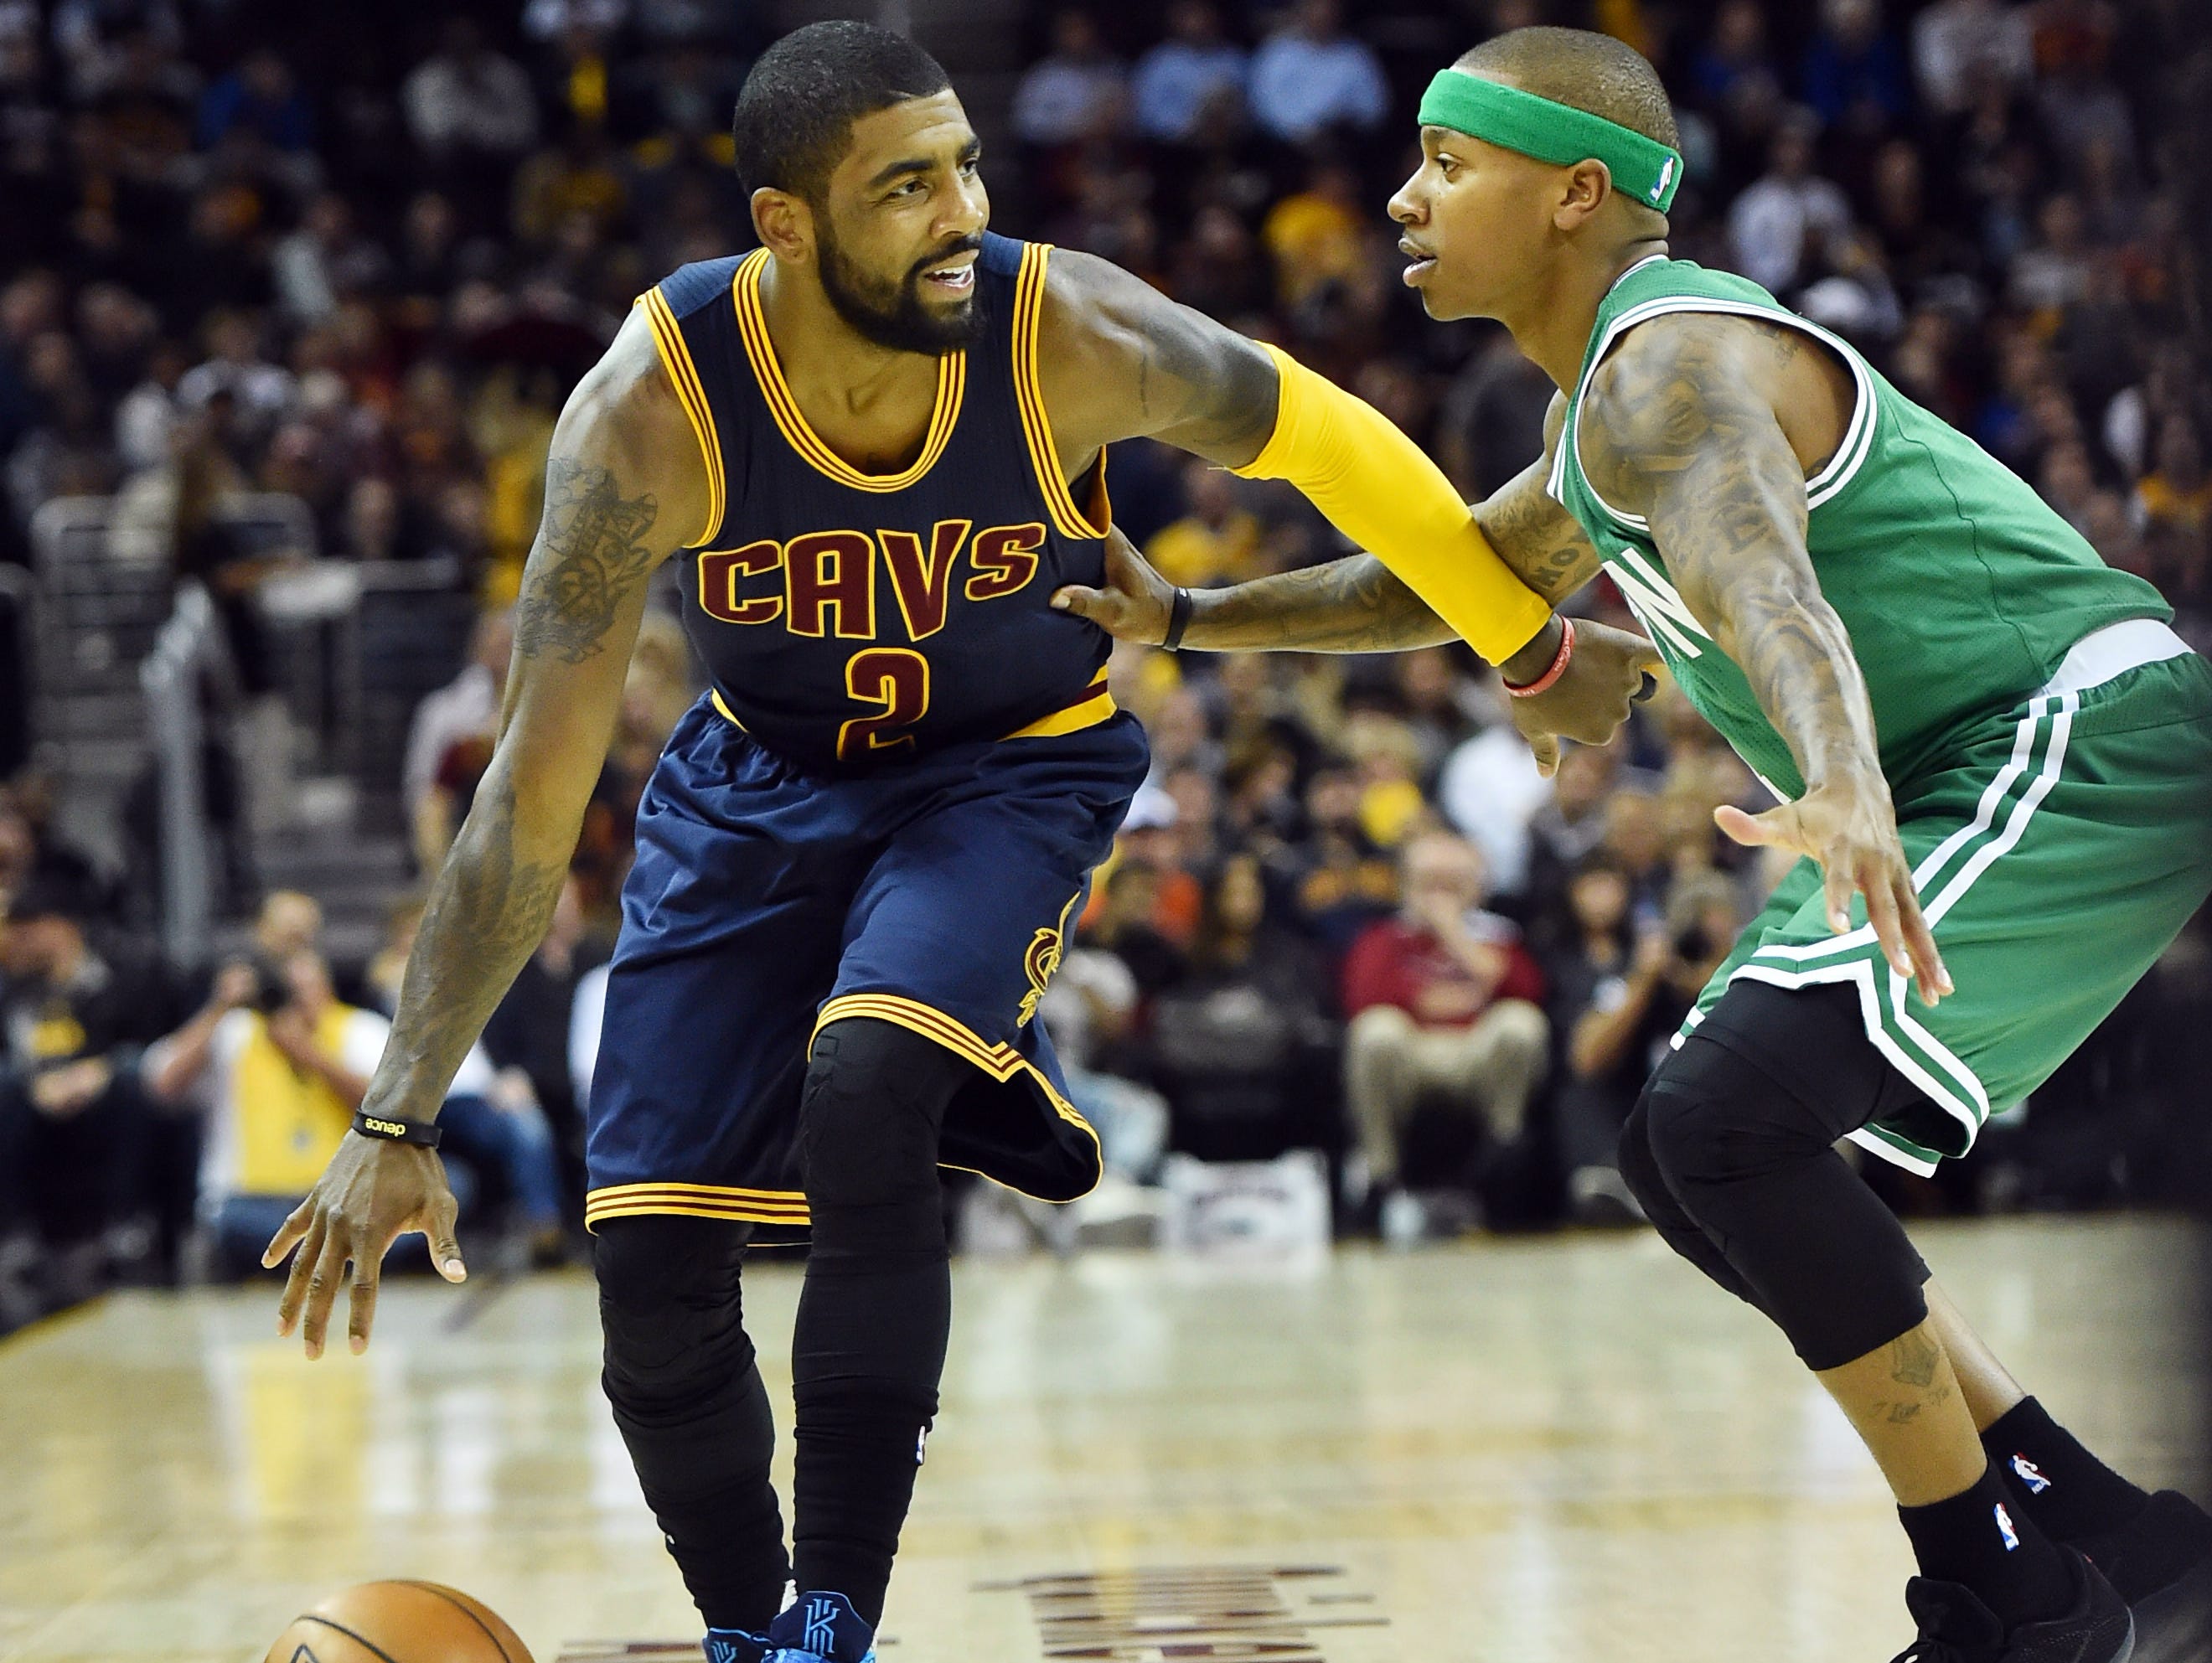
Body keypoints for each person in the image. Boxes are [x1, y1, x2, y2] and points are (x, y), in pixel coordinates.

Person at [261, 23, 1657, 1663]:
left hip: (1006, 770)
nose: (960, 212)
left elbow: (1335, 445)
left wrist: (1531, 644)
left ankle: (838, 1604)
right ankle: (747, 1624)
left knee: (864, 1081)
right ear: (786, 223)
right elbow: (529, 790)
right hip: (758, 787)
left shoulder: (1061, 328)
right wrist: (400, 1103)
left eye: (967, 166)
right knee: (640, 1255)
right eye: (906, 185)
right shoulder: (647, 412)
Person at [1057, 25, 2212, 1663]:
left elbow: (1763, 581)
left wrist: (1840, 770)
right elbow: (1455, 572)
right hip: (1962, 759)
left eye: (1449, 164)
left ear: (1571, 195)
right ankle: (2097, 1524)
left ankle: (2013, 1604)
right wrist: (1187, 612)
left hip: (2068, 732)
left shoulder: (1670, 371)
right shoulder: (1602, 413)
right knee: (1689, 1158)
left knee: (1729, 1113)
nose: (1403, 197)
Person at [1338, 830, 1547, 1237]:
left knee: (1521, 1024)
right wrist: (1448, 996)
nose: (1440, 896)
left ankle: (1502, 1160)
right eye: (1430, 885)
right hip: (1412, 1053)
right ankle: (1380, 1175)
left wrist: (1453, 932)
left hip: (1475, 1054)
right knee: (1375, 1032)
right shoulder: (1384, 938)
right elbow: (1365, 997)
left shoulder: (1498, 936)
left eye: (1453, 885)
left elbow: (1524, 990)